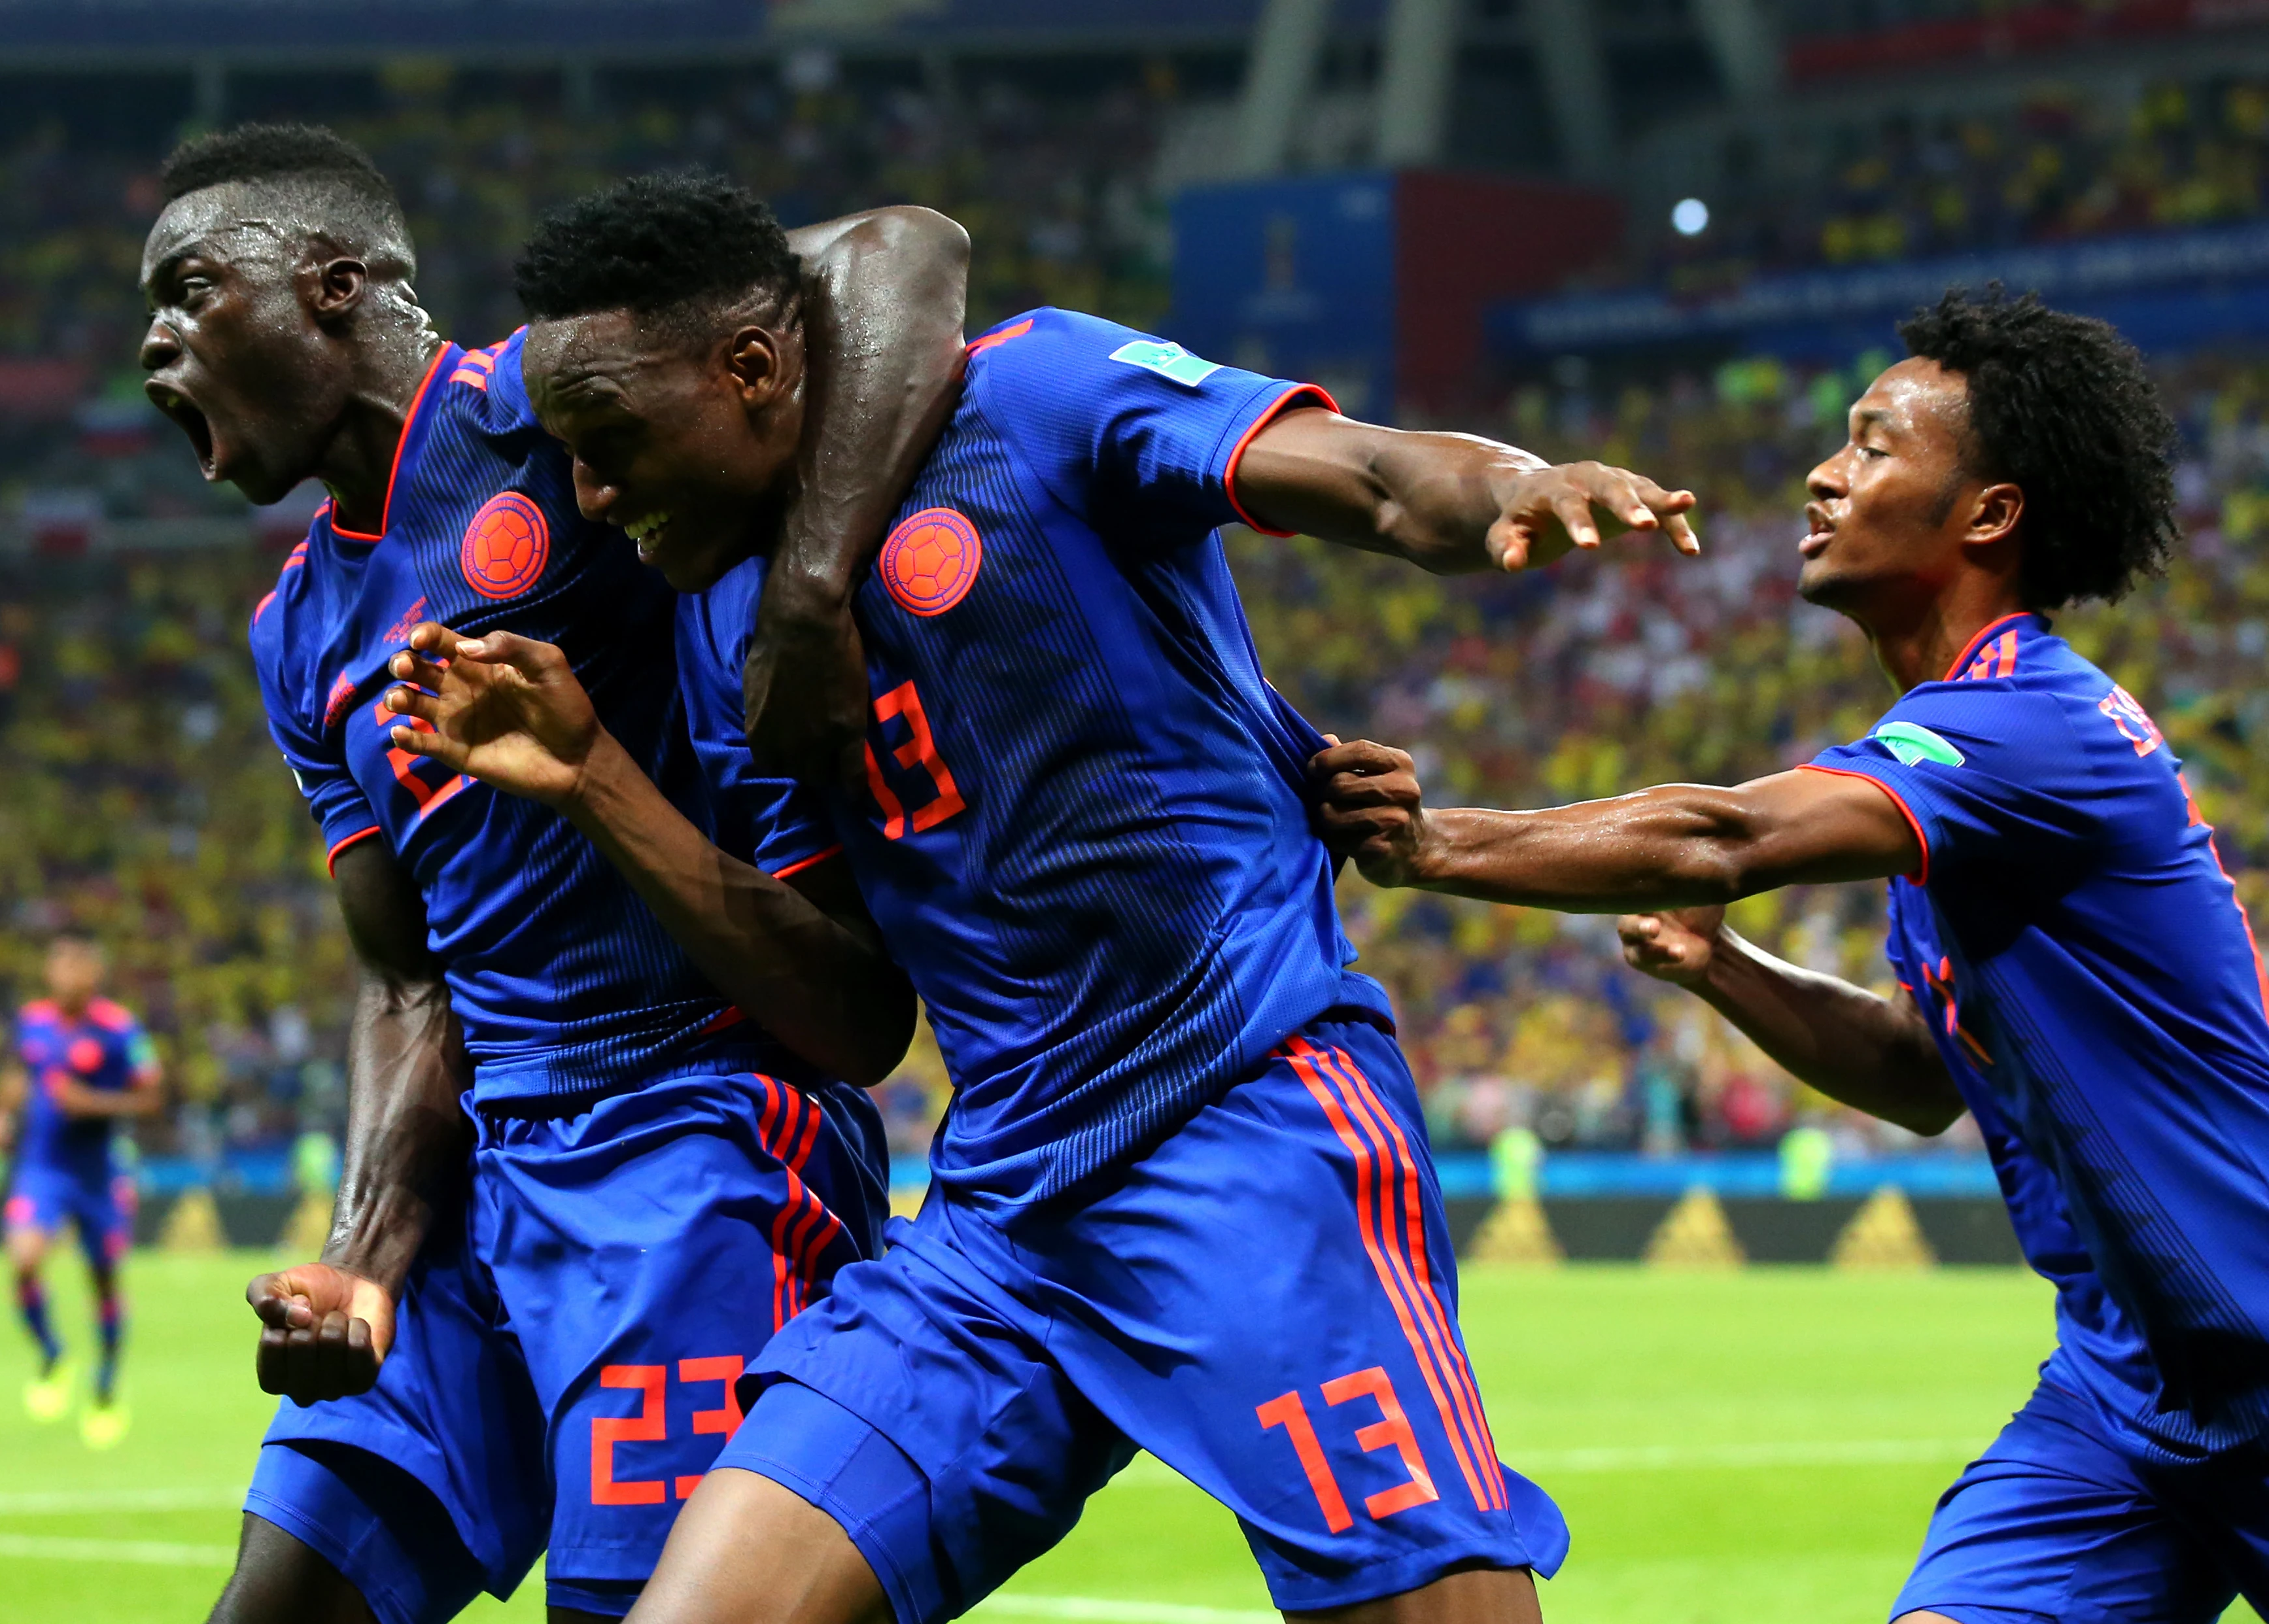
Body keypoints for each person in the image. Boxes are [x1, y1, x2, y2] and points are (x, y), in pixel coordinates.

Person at [377, 171, 1697, 1624]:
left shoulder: (1037, 396)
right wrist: (596, 786)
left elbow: (1376, 476)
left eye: (610, 443)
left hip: (1236, 1118)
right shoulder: (714, 624)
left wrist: (1506, 486)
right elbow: (855, 1013)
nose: (591, 497)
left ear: (749, 370)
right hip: (998, 1205)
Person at [1309, 288, 2269, 1622]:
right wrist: (1724, 970)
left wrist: (1435, 844)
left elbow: (1720, 833)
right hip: (2121, 1397)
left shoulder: (2029, 729)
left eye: (1873, 444)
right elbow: (1922, 1072)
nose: (1823, 470)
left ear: (1985, 514)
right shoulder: (1951, 783)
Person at [133, 128, 966, 1623]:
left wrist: (809, 586)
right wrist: (361, 1256)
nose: (155, 341)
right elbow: (408, 973)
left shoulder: (540, 404)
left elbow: (891, 251)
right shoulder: (296, 634)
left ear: (333, 286)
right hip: (478, 1190)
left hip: (695, 1143)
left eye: (191, 291)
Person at [0, 933, 165, 1449]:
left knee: (103, 1279)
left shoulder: (120, 1030)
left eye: (74, 966)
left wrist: (94, 1103)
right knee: (22, 1260)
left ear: (92, 974)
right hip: (43, 1168)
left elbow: (151, 1098)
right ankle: (52, 1353)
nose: (63, 975)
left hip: (100, 1174)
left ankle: (106, 1381)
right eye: (56, 964)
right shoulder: (33, 1020)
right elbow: (21, 1071)